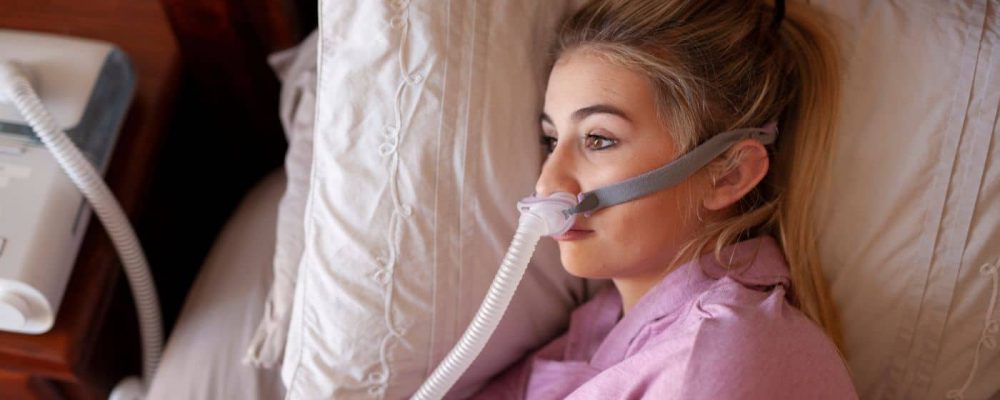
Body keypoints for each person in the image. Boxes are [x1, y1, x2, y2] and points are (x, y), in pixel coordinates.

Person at [474, 0, 857, 398]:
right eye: (551, 140)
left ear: (728, 174)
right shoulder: (605, 326)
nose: (547, 183)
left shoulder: (719, 355)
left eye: (599, 139)